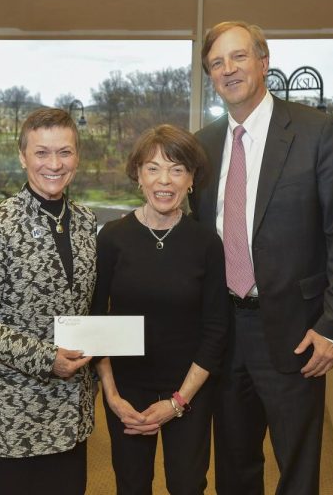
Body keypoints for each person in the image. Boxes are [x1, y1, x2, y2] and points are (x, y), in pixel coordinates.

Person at [190, 21, 333, 495]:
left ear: (263, 62)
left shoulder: (315, 132)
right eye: (217, 63)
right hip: (225, 331)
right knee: (234, 462)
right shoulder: (202, 146)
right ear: (210, 76)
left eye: (238, 57)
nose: (229, 69)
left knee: (298, 466)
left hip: (296, 331)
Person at [0, 107, 97, 495]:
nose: (54, 163)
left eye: (65, 152)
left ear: (77, 157)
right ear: (22, 157)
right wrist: (45, 357)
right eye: (42, 152)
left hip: (71, 412)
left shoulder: (86, 222)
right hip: (10, 416)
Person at [92, 124, 230, 495]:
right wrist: (113, 396)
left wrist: (178, 401)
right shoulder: (112, 239)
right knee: (131, 485)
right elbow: (95, 320)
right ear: (138, 175)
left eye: (176, 169)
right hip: (127, 390)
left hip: (189, 388)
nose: (164, 180)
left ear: (191, 180)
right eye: (153, 168)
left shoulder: (206, 244)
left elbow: (217, 329)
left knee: (187, 485)